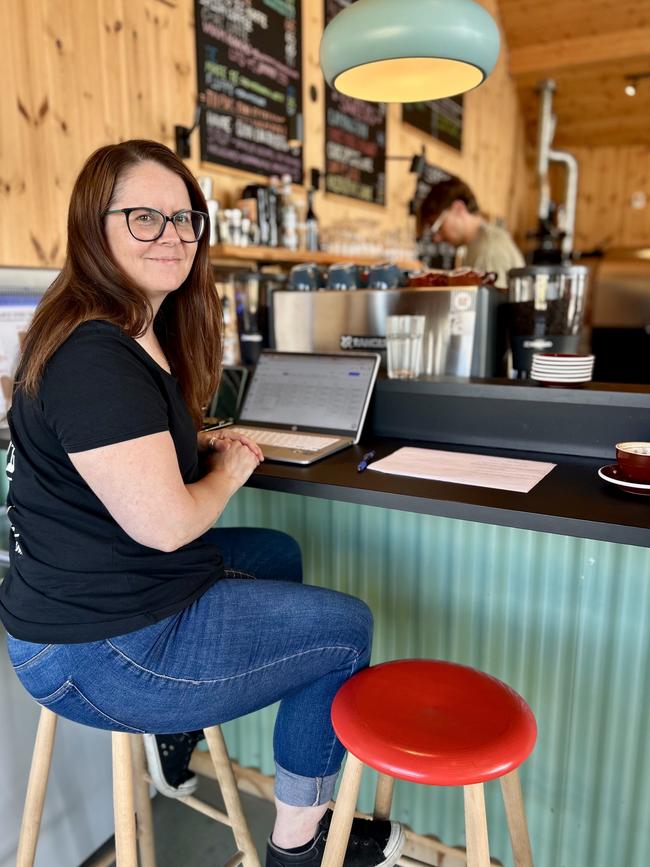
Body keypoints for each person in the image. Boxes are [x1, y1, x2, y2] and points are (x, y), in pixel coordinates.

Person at [0, 140, 404, 867]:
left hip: (87, 605)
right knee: (346, 630)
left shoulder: (116, 325)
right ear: (96, 224)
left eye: (186, 219)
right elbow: (166, 525)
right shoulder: (97, 352)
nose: (175, 237)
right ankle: (298, 845)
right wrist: (228, 472)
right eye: (146, 218)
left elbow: (119, 448)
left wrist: (195, 442)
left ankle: (178, 731)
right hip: (99, 648)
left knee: (277, 555)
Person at [417, 176, 525, 287]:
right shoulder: (478, 243)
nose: (436, 238)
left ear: (458, 209)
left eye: (438, 227)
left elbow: (491, 302)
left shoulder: (488, 250)